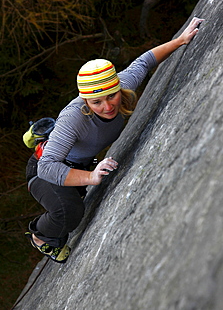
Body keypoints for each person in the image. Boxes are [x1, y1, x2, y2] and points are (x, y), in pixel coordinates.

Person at [24, 17, 203, 263]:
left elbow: (144, 61)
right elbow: (47, 166)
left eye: (112, 96)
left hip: (76, 167)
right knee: (70, 213)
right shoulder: (73, 118)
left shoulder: (122, 86)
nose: (108, 106)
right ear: (86, 101)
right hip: (43, 170)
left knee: (73, 204)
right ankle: (40, 237)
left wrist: (181, 40)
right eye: (97, 102)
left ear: (118, 88)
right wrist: (91, 177)